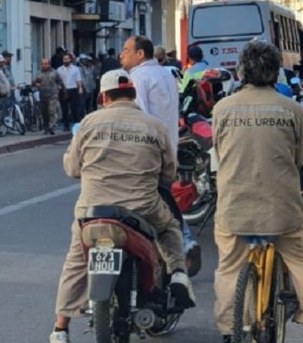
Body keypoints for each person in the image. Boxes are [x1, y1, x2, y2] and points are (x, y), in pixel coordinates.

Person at [49, 70, 195, 343]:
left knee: (75, 262)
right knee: (170, 229)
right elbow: (168, 174)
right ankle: (177, 274)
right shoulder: (154, 127)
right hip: (143, 209)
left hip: (92, 213)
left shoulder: (89, 123)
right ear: (134, 94)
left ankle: (59, 329)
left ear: (104, 96)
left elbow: (71, 168)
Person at [212, 40, 303, 343]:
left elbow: (219, 152)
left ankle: (230, 329)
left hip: (234, 208)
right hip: (282, 209)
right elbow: (296, 156)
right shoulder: (292, 109)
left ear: (241, 72)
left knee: (229, 266)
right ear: (276, 72)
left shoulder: (222, 109)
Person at [120, 35, 202, 277]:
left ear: (140, 54)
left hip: (147, 151)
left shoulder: (138, 77)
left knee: (146, 201)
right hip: (168, 147)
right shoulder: (166, 74)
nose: (121, 55)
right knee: (163, 197)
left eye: (126, 50)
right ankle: (173, 248)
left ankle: (181, 244)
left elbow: (139, 116)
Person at [35, 58, 65, 135]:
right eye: (42, 64)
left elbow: (60, 81)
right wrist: (36, 84)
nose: (44, 66)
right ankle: (46, 127)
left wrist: (62, 89)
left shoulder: (54, 72)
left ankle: (52, 126)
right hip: (43, 95)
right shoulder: (39, 73)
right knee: (44, 112)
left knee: (51, 110)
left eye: (45, 64)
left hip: (53, 95)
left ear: (49, 64)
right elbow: (36, 82)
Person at [57, 54, 84, 131]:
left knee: (74, 109)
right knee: (64, 109)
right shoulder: (59, 69)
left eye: (67, 59)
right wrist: (58, 87)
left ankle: (76, 124)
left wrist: (80, 88)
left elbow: (78, 79)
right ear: (62, 60)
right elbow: (58, 80)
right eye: (64, 59)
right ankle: (66, 126)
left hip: (73, 89)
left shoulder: (75, 69)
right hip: (63, 90)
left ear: (70, 60)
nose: (66, 60)